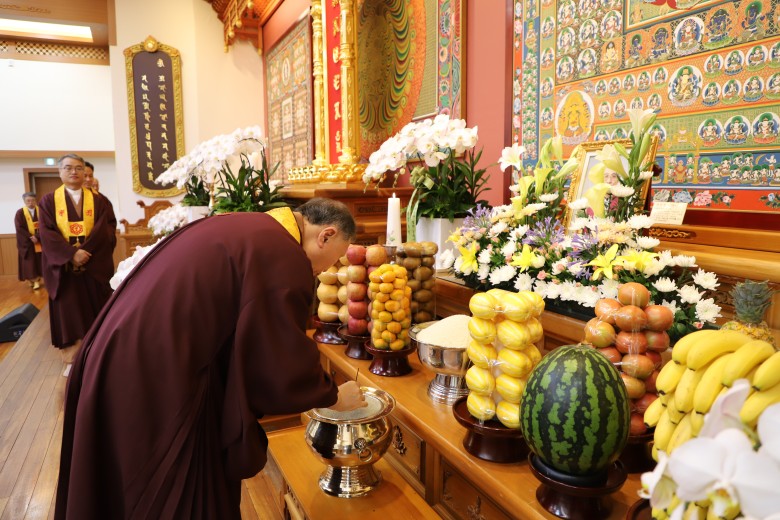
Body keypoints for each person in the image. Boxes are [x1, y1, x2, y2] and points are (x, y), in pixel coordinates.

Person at [55, 198, 367, 520]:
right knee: (171, 493)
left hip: (124, 351)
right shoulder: (283, 253)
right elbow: (279, 357)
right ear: (326, 235)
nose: (327, 269)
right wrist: (331, 396)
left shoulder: (248, 226)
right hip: (151, 374)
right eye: (335, 259)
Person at [38, 154, 117, 362]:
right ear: (59, 172)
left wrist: (84, 253)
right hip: (64, 269)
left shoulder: (98, 200)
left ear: (85, 172)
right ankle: (72, 357)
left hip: (93, 264)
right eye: (68, 168)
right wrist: (70, 254)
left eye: (78, 168)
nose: (74, 171)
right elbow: (46, 232)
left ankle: (96, 353)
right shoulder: (48, 201)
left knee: (95, 308)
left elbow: (105, 229)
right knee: (69, 311)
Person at [14, 192, 43, 290]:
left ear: (36, 200)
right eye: (28, 201)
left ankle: (37, 280)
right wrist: (31, 237)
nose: (30, 202)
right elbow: (19, 227)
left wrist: (37, 236)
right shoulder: (20, 213)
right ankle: (32, 280)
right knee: (29, 262)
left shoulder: (41, 211)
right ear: (24, 201)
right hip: (26, 242)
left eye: (33, 200)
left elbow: (45, 225)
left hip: (39, 240)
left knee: (39, 261)